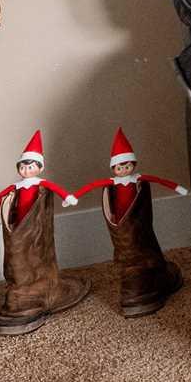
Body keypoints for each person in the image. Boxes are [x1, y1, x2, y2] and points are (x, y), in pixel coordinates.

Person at [75, 129, 182, 317]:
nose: (123, 170)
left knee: (131, 236)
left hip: (132, 279)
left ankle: (132, 282)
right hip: (151, 273)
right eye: (119, 167)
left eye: (126, 166)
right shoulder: (114, 183)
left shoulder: (136, 181)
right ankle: (147, 279)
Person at [0, 130, 88, 333]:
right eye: (23, 166)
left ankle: (20, 299)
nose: (26, 169)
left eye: (30, 165)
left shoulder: (39, 186)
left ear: (38, 167)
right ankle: (38, 294)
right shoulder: (17, 188)